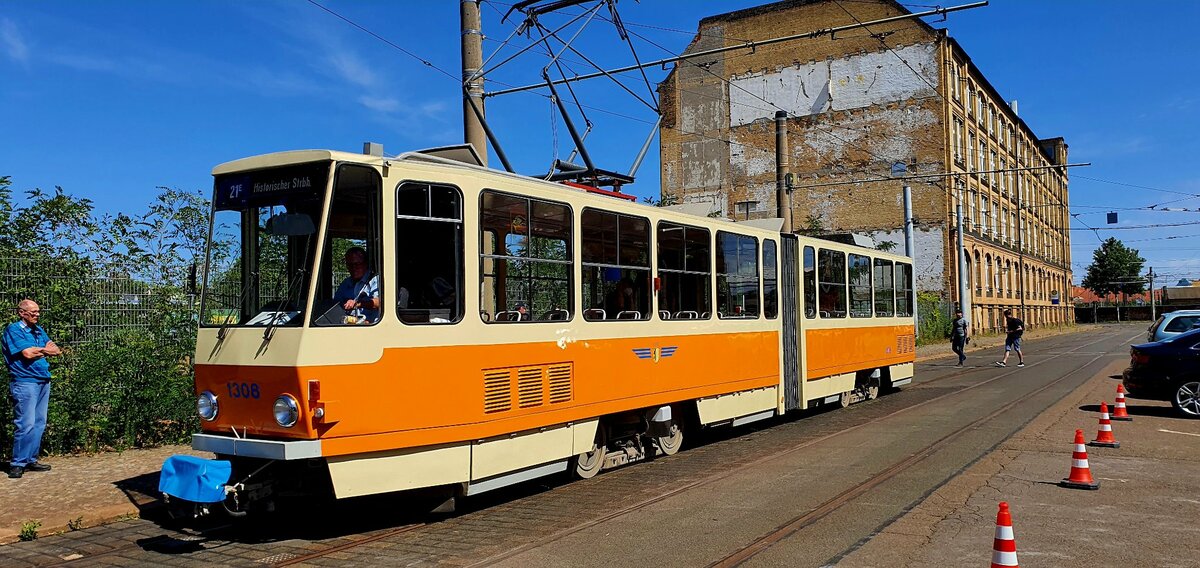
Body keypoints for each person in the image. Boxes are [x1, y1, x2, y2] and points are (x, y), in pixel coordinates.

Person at [4, 300, 61, 479]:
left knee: (39, 422)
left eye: (38, 311)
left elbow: (57, 350)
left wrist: (40, 350)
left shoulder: (38, 330)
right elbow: (27, 354)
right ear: (22, 313)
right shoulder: (14, 330)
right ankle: (18, 463)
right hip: (25, 381)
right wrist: (45, 350)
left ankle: (30, 459)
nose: (37, 314)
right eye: (33, 312)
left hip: (43, 380)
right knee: (25, 423)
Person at [335, 247, 380, 324]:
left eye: (357, 264)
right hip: (349, 326)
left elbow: (380, 302)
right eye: (350, 265)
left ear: (365, 264)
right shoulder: (346, 283)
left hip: (371, 327)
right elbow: (336, 304)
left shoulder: (376, 280)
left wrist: (358, 304)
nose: (353, 268)